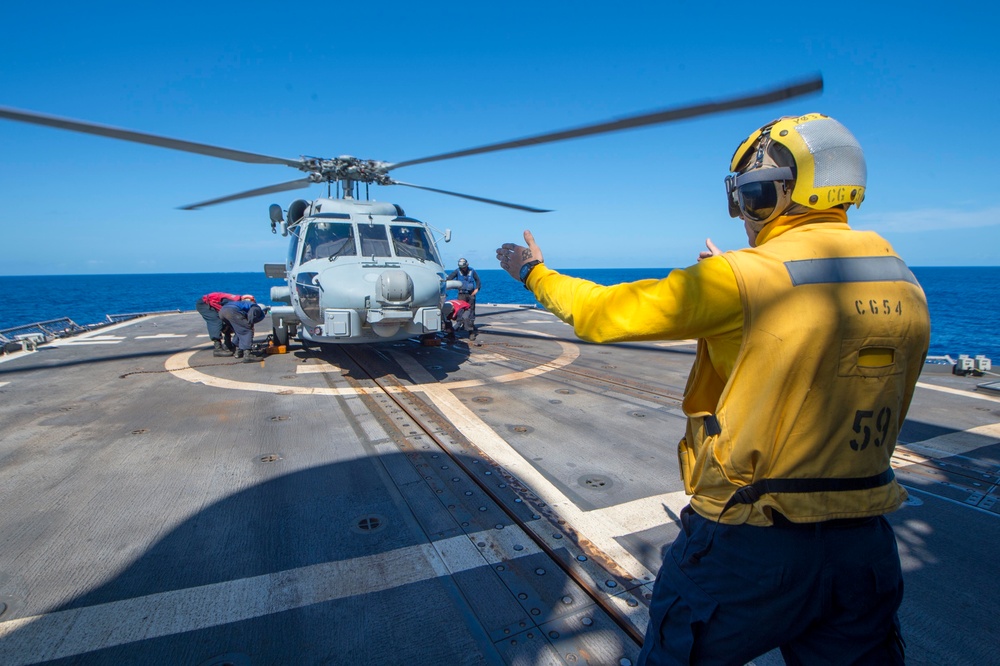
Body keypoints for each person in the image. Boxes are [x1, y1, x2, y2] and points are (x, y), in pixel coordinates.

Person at [496, 113, 930, 665]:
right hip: (863, 547)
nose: (744, 216)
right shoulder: (903, 279)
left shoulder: (742, 277)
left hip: (749, 545)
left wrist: (532, 271)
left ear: (769, 196)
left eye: (748, 198)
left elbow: (601, 314)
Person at [219, 295, 267, 363]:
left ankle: (238, 351)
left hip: (222, 311)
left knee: (239, 330)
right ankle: (247, 355)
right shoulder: (255, 306)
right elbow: (252, 315)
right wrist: (250, 325)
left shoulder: (241, 303)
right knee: (246, 330)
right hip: (232, 311)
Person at [196, 291, 243, 356]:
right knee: (216, 322)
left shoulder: (238, 302)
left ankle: (227, 344)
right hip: (204, 304)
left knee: (227, 320)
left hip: (214, 305)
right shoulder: (233, 303)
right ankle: (217, 349)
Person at [446, 258, 481, 339]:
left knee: (471, 311)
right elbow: (449, 279)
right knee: (460, 311)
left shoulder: (472, 271)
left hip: (471, 294)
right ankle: (459, 324)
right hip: (461, 294)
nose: (463, 269)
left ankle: (471, 329)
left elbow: (478, 280)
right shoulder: (457, 271)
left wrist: (477, 289)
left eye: (464, 267)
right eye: (461, 268)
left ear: (467, 265)